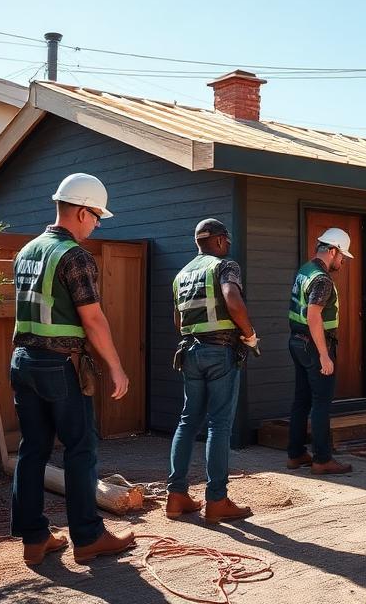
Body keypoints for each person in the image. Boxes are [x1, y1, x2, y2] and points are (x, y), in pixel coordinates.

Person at [10, 173, 135, 565]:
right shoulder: (74, 256)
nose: (97, 224)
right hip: (58, 365)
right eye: (96, 216)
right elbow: (93, 320)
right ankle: (88, 537)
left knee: (33, 450)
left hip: (22, 362)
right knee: (80, 450)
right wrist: (116, 367)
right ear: (82, 212)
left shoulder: (26, 251)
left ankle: (34, 539)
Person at [166, 218, 257, 524]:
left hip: (189, 352)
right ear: (218, 240)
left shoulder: (181, 275)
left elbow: (178, 321)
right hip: (220, 352)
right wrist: (249, 334)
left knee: (188, 421)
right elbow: (233, 300)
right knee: (219, 425)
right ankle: (217, 501)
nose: (228, 245)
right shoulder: (224, 266)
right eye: (226, 240)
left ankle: (176, 496)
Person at [285, 228, 354, 475]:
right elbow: (313, 315)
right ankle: (322, 459)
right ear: (332, 251)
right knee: (321, 403)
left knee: (301, 400)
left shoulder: (305, 270)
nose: (343, 261)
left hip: (297, 342)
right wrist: (324, 355)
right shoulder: (322, 279)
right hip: (314, 347)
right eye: (342, 255)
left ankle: (295, 454)